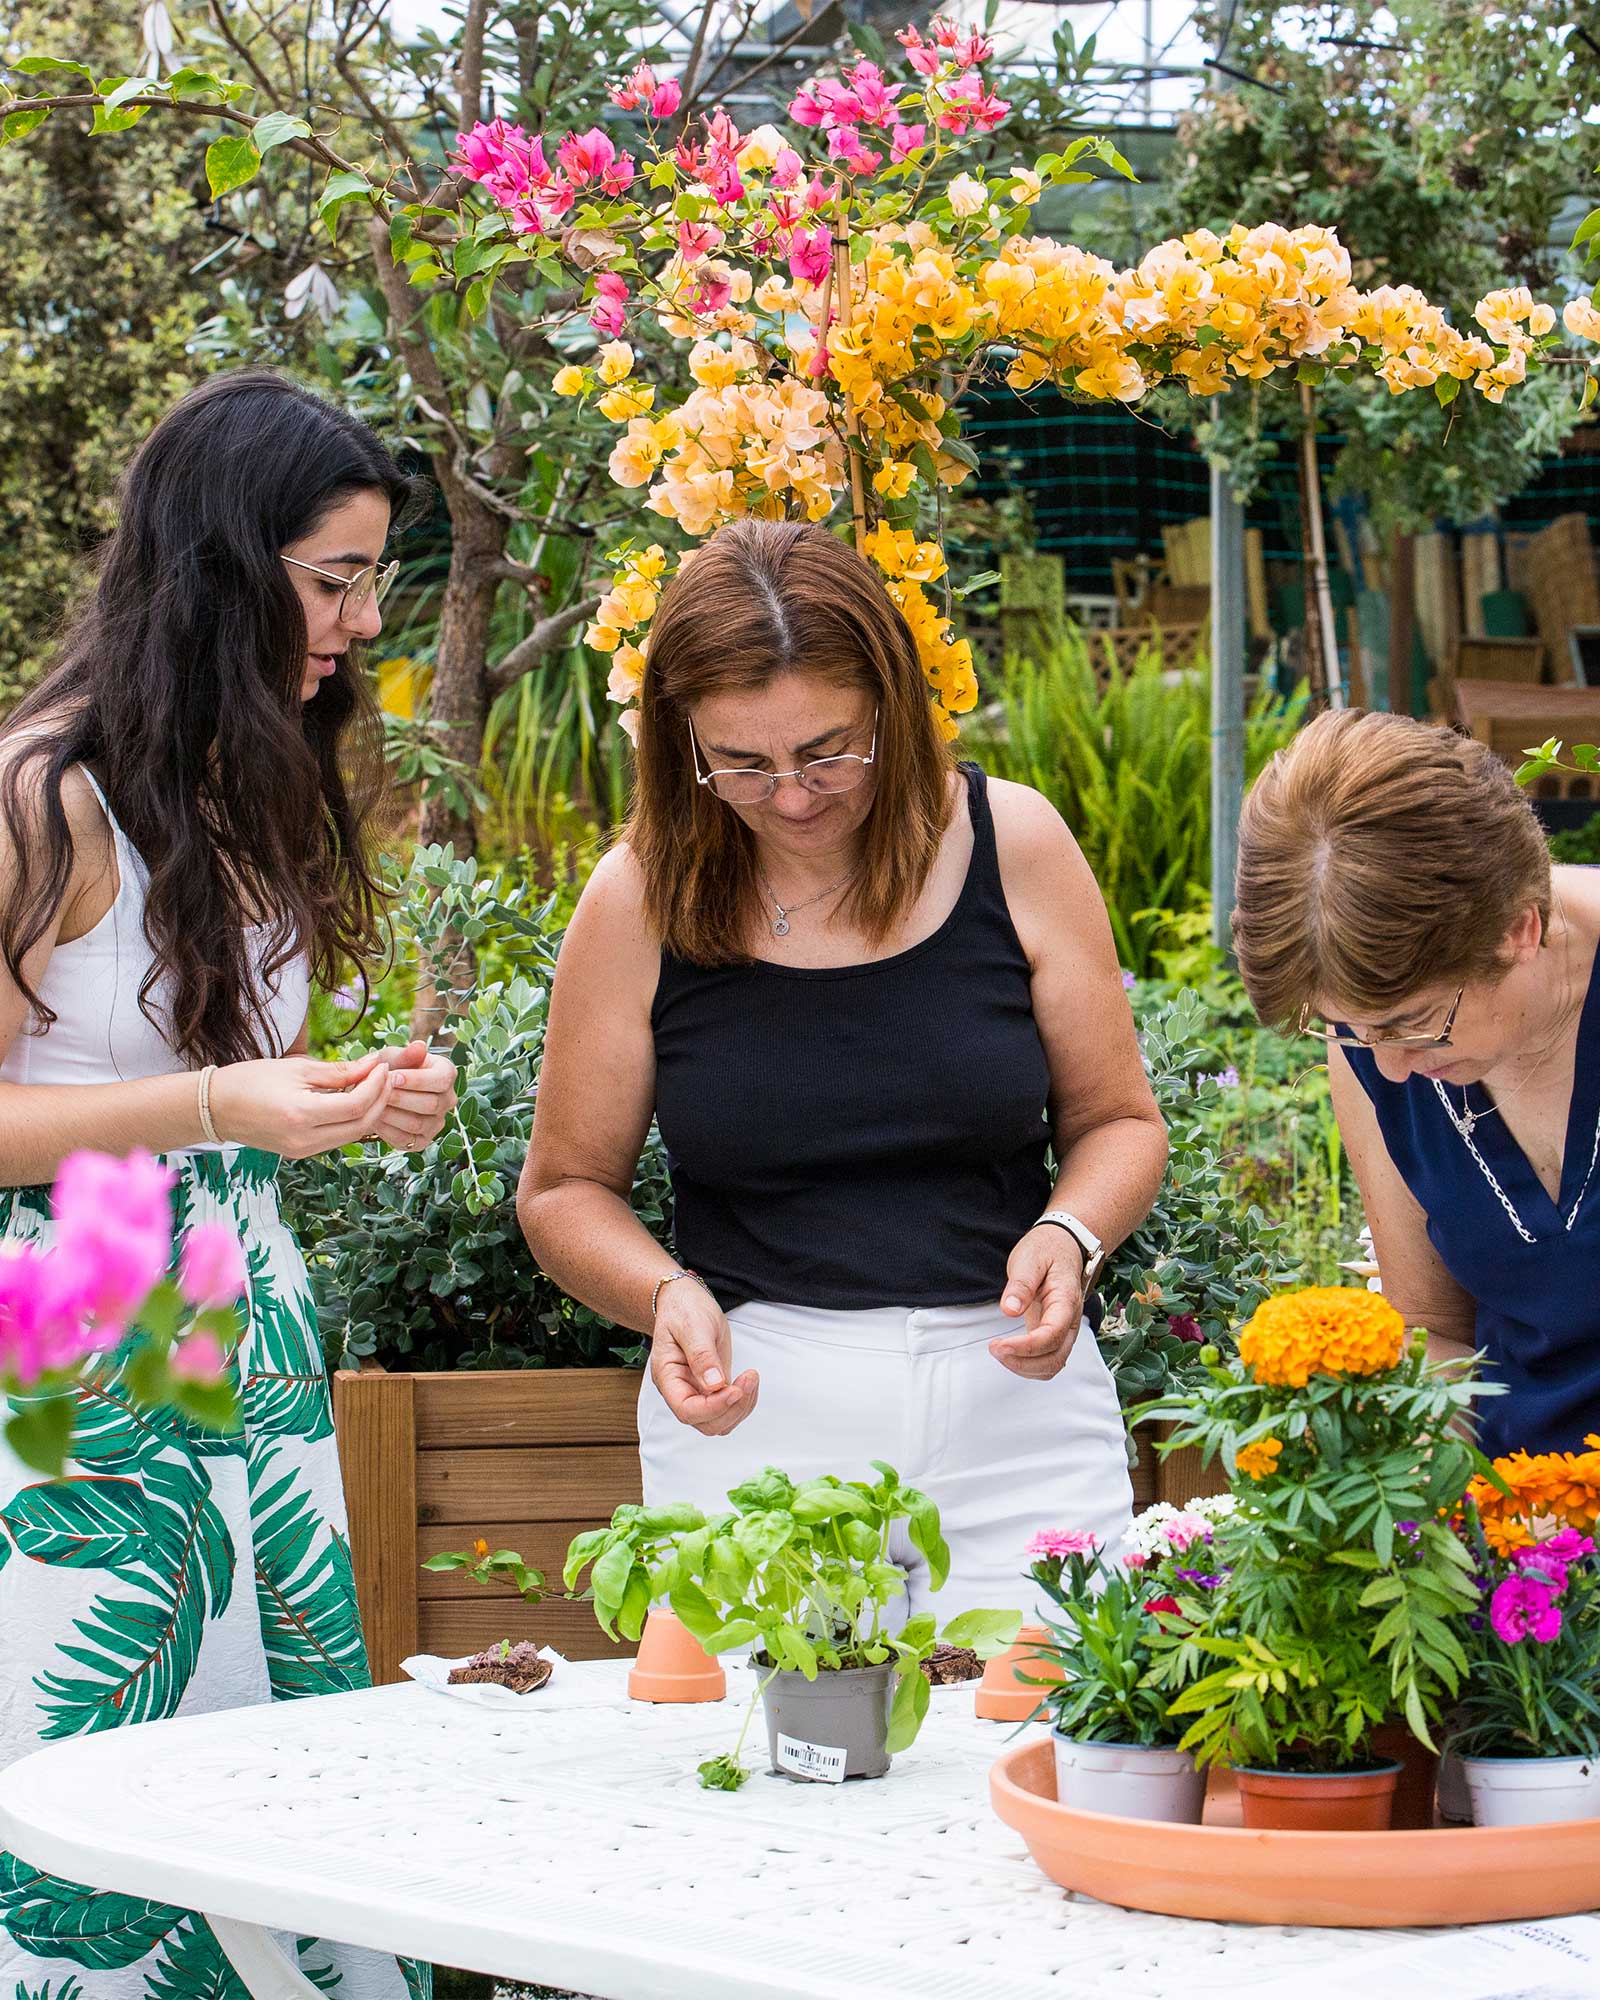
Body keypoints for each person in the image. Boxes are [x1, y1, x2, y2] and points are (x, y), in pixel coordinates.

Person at [0, 369, 454, 2000]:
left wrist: (353, 1103)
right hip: (73, 1321)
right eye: (333, 578)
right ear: (220, 566)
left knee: (261, 1727)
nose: (359, 616)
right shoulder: (45, 796)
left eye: (369, 578)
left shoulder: (244, 778)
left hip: (241, 1318)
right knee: (107, 1731)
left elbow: (227, 1096)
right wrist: (215, 1101)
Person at [518, 519, 1167, 1617]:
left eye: (829, 750)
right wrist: (663, 1291)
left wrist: (1071, 1232)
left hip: (1018, 1408)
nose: (793, 795)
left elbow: (1118, 1119)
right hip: (755, 1420)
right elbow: (563, 1187)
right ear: (681, 745)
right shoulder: (637, 898)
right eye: (741, 762)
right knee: (763, 1768)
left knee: (1042, 1755)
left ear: (894, 705)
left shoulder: (1017, 842)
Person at [1232, 706, 1600, 1458]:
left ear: (1518, 928)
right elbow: (1436, 1334)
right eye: (1348, 1031)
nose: (1392, 1068)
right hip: (1527, 1525)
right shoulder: (1376, 1044)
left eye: (1413, 1022)